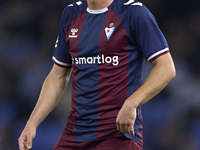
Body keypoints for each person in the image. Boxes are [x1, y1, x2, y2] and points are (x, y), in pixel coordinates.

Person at [18, 0, 176, 149]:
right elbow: (57, 76)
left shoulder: (133, 12)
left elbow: (166, 67)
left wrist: (132, 102)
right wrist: (32, 122)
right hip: (76, 132)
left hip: (118, 134)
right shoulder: (71, 13)